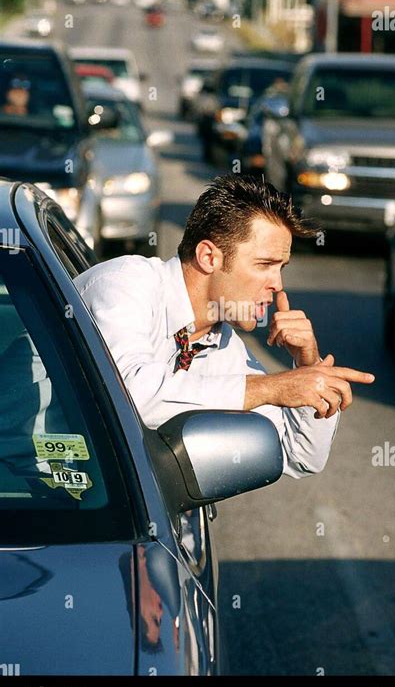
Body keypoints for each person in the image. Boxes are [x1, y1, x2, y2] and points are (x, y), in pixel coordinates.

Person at [74, 175, 375, 479]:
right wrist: (275, 388)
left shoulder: (222, 344)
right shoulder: (124, 283)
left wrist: (307, 366)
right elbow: (129, 398)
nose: (277, 284)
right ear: (208, 257)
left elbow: (300, 457)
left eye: (281, 267)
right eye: (264, 265)